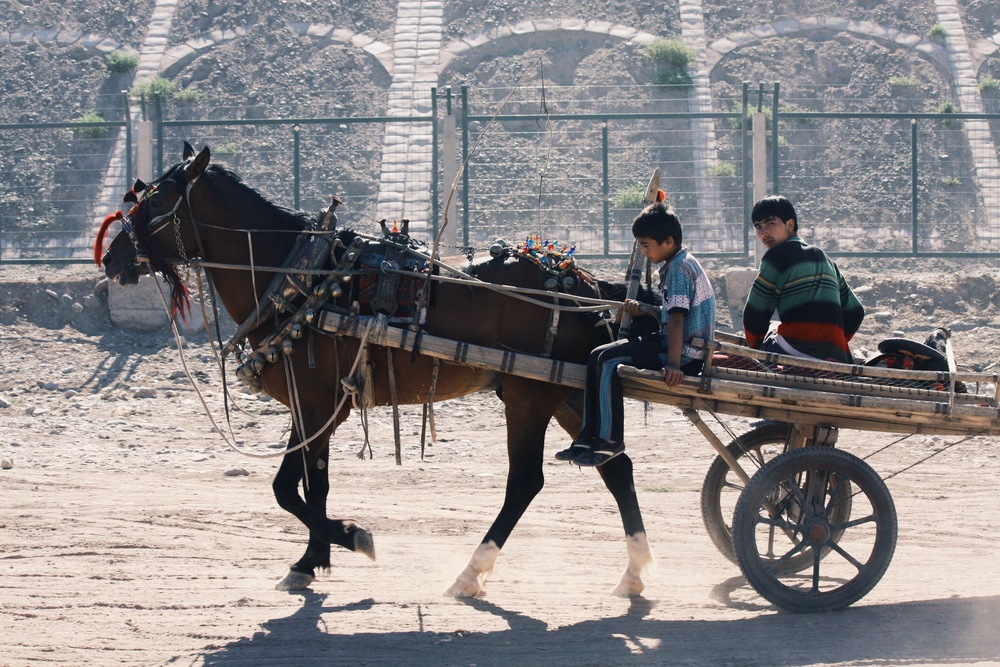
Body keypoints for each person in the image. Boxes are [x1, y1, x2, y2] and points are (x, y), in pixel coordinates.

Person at [555, 202, 716, 467]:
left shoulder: (678, 269)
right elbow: (670, 312)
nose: (643, 250)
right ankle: (588, 436)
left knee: (607, 361)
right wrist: (645, 310)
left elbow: (677, 319)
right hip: (674, 344)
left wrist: (674, 365)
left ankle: (611, 440)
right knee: (596, 355)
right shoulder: (678, 263)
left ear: (668, 241)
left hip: (684, 354)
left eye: (645, 244)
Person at [743, 195, 864, 363]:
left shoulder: (776, 257)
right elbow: (856, 311)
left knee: (772, 329)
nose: (764, 232)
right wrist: (833, 343)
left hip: (795, 352)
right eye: (758, 227)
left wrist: (756, 350)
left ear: (790, 225)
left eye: (771, 224)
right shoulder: (824, 258)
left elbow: (755, 313)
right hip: (837, 356)